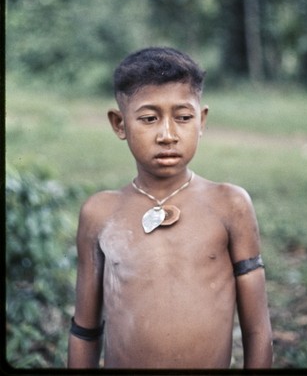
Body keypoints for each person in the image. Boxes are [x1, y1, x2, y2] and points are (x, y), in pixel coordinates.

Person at [67, 47, 273, 369]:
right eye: (149, 118)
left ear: (201, 120)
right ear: (119, 124)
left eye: (183, 117)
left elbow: (258, 329)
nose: (167, 135)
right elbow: (84, 330)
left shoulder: (230, 205)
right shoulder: (100, 213)